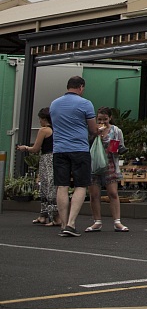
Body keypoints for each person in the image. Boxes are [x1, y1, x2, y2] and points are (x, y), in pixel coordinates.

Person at [48, 76, 99, 237]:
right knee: (80, 185)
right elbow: (92, 129)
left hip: (59, 149)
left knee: (61, 186)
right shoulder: (85, 104)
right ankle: (71, 223)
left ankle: (63, 224)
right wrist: (99, 131)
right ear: (81, 87)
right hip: (79, 149)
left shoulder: (54, 104)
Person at [84, 107, 129, 232]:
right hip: (93, 163)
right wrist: (96, 134)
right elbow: (86, 144)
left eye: (105, 119)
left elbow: (121, 147)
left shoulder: (116, 130)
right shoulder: (92, 130)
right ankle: (97, 221)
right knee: (94, 194)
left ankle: (117, 221)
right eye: (99, 119)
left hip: (110, 163)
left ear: (110, 118)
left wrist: (114, 147)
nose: (103, 122)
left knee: (113, 193)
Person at [17, 108, 57, 226]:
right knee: (51, 184)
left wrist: (25, 148)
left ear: (44, 119)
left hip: (46, 158)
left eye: (40, 119)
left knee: (46, 186)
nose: (39, 121)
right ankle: (45, 215)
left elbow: (35, 148)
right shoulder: (56, 129)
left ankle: (50, 216)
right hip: (55, 157)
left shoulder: (43, 130)